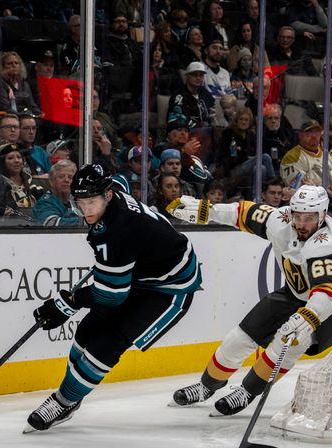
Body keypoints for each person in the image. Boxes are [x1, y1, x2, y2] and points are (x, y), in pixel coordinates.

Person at [26, 164, 202, 432]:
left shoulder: (116, 231)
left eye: (92, 202)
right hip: (142, 272)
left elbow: (110, 296)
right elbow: (119, 179)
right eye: (81, 202)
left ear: (107, 196)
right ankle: (72, 397)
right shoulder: (115, 187)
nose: (86, 210)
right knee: (86, 332)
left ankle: (63, 400)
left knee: (106, 345)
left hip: (170, 287)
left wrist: (68, 303)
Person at [167, 184, 332, 415]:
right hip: (297, 291)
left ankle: (248, 391)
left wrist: (306, 319)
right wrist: (205, 210)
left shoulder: (326, 244)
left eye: (309, 218)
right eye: (297, 216)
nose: (301, 224)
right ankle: (207, 386)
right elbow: (241, 212)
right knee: (239, 337)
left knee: (290, 341)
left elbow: (326, 294)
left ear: (323, 215)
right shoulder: (279, 220)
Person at [32, 159, 83, 227]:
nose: (66, 180)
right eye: (61, 177)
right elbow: (51, 223)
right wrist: (86, 222)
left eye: (70, 177)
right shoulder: (44, 203)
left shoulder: (77, 201)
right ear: (51, 181)